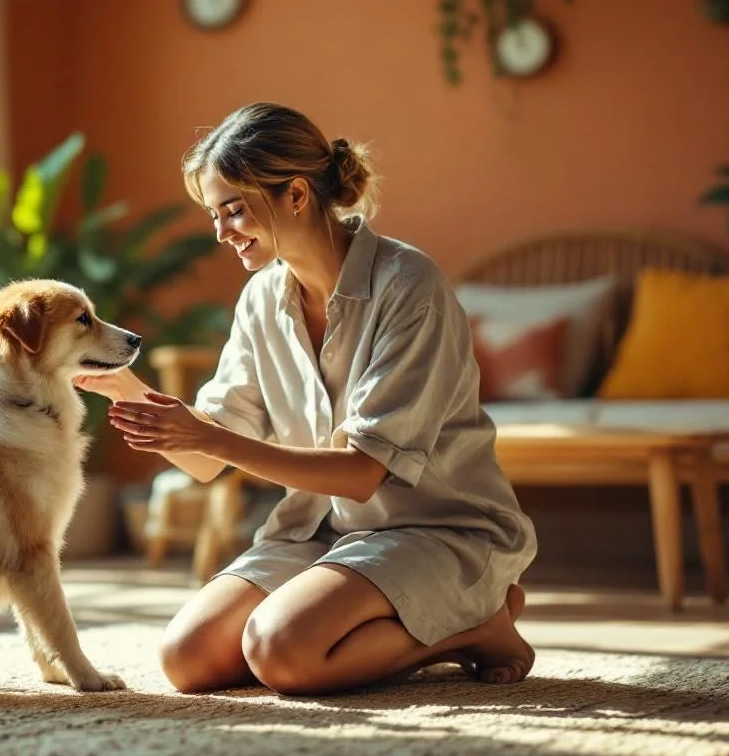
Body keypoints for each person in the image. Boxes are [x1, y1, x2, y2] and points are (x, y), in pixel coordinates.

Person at [74, 102, 538, 697]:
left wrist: (208, 436)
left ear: (296, 194)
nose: (221, 233)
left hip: (436, 530)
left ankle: (476, 623)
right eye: (214, 215)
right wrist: (127, 389)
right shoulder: (260, 299)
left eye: (234, 210)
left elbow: (363, 473)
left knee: (284, 655)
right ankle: (385, 619)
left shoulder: (409, 287)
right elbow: (207, 460)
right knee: (187, 660)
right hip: (319, 533)